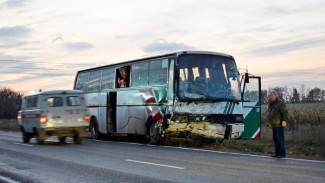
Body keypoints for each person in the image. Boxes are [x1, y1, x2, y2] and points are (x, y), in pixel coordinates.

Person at [267, 90, 288, 158]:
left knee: (280, 139)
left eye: (271, 96)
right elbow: (270, 114)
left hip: (279, 124)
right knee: (275, 139)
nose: (270, 97)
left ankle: (282, 154)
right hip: (274, 124)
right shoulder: (271, 103)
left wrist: (284, 120)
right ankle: (277, 153)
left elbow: (285, 112)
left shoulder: (280, 103)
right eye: (269, 96)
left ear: (275, 96)